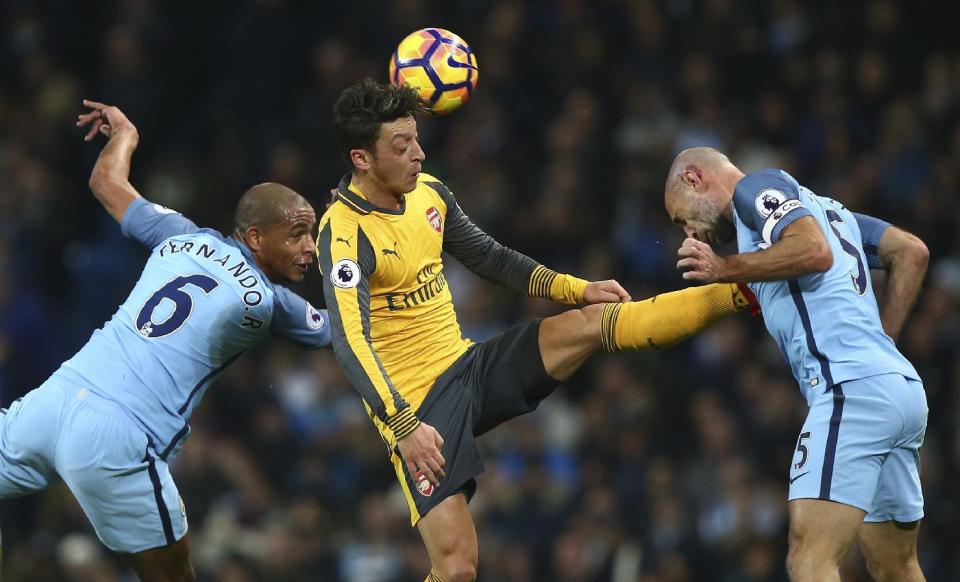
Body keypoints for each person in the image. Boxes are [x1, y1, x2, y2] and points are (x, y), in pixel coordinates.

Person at [317, 79, 759, 582]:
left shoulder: (429, 194)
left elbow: (490, 256)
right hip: (418, 410)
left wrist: (577, 289)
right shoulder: (345, 233)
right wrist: (403, 428)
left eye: (416, 139)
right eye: (402, 147)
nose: (419, 153)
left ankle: (746, 291)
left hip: (469, 364)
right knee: (458, 568)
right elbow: (349, 340)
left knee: (593, 322)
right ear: (361, 159)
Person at [0, 101, 331, 582]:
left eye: (313, 235)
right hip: (118, 435)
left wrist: (126, 135)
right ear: (256, 237)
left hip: (55, 400)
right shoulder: (265, 301)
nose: (310, 248)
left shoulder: (177, 235)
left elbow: (106, 184)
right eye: (299, 234)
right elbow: (334, 333)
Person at [663, 147, 929, 582]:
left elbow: (814, 251)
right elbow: (912, 252)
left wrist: (723, 267)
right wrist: (884, 347)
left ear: (694, 179)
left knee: (808, 560)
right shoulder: (827, 210)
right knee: (895, 566)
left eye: (682, 218)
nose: (690, 233)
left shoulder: (755, 188)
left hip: (849, 390)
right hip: (896, 389)